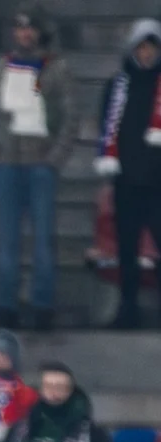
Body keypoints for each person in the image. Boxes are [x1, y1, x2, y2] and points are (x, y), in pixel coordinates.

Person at [0, 5, 75, 330]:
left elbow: (69, 115)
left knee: (43, 241)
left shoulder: (56, 69)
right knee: (7, 241)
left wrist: (55, 157)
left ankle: (42, 306)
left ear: (39, 32)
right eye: (20, 28)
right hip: (6, 162)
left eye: (30, 28)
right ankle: (5, 307)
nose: (25, 33)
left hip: (40, 164)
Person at [96, 20, 161, 329]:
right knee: (127, 248)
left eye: (152, 48)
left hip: (158, 182)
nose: (147, 54)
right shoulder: (117, 86)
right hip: (127, 181)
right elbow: (106, 127)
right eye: (142, 48)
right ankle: (128, 308)